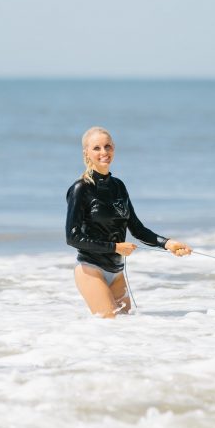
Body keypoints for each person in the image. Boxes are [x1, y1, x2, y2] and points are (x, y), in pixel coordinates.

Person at [65, 126, 192, 318]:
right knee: (110, 324)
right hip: (91, 269)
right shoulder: (80, 189)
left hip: (117, 273)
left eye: (107, 147)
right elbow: (72, 238)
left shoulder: (119, 186)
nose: (104, 152)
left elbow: (137, 229)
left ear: (114, 148)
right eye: (97, 148)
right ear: (86, 153)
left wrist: (167, 243)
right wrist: (114, 247)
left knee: (126, 329)